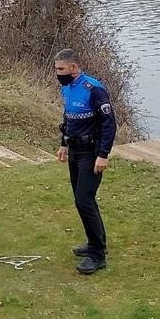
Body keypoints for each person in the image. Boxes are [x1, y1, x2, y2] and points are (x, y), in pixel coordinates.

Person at [54, 48, 116, 275]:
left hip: (91, 153)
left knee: (84, 200)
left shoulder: (94, 89)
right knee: (82, 200)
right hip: (74, 150)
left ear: (73, 67)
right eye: (56, 69)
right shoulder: (67, 89)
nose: (57, 73)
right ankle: (94, 242)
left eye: (61, 69)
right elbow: (68, 119)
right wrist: (63, 143)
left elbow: (109, 124)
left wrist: (103, 155)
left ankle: (98, 255)